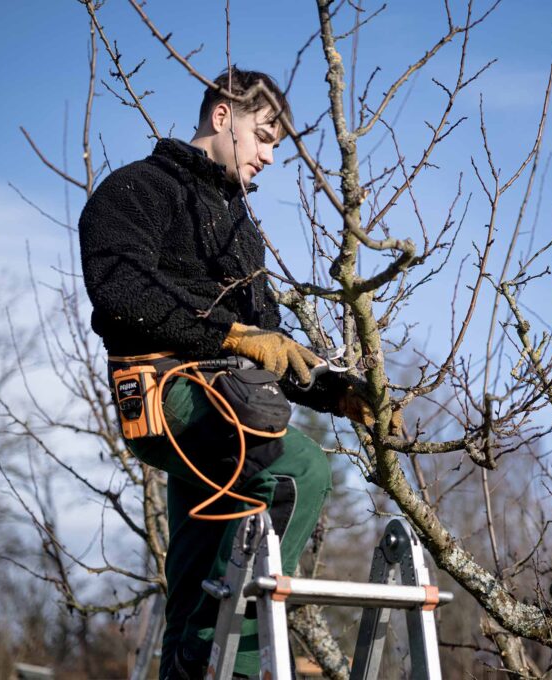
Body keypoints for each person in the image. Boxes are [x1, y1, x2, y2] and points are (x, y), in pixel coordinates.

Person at [78, 67, 377, 679]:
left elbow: (273, 349)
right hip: (170, 393)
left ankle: (192, 659)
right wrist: (229, 334)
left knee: (196, 576)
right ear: (222, 117)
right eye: (264, 136)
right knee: (299, 469)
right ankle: (236, 661)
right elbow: (119, 287)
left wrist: (335, 392)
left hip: (230, 403)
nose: (270, 155)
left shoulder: (240, 229)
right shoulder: (137, 190)